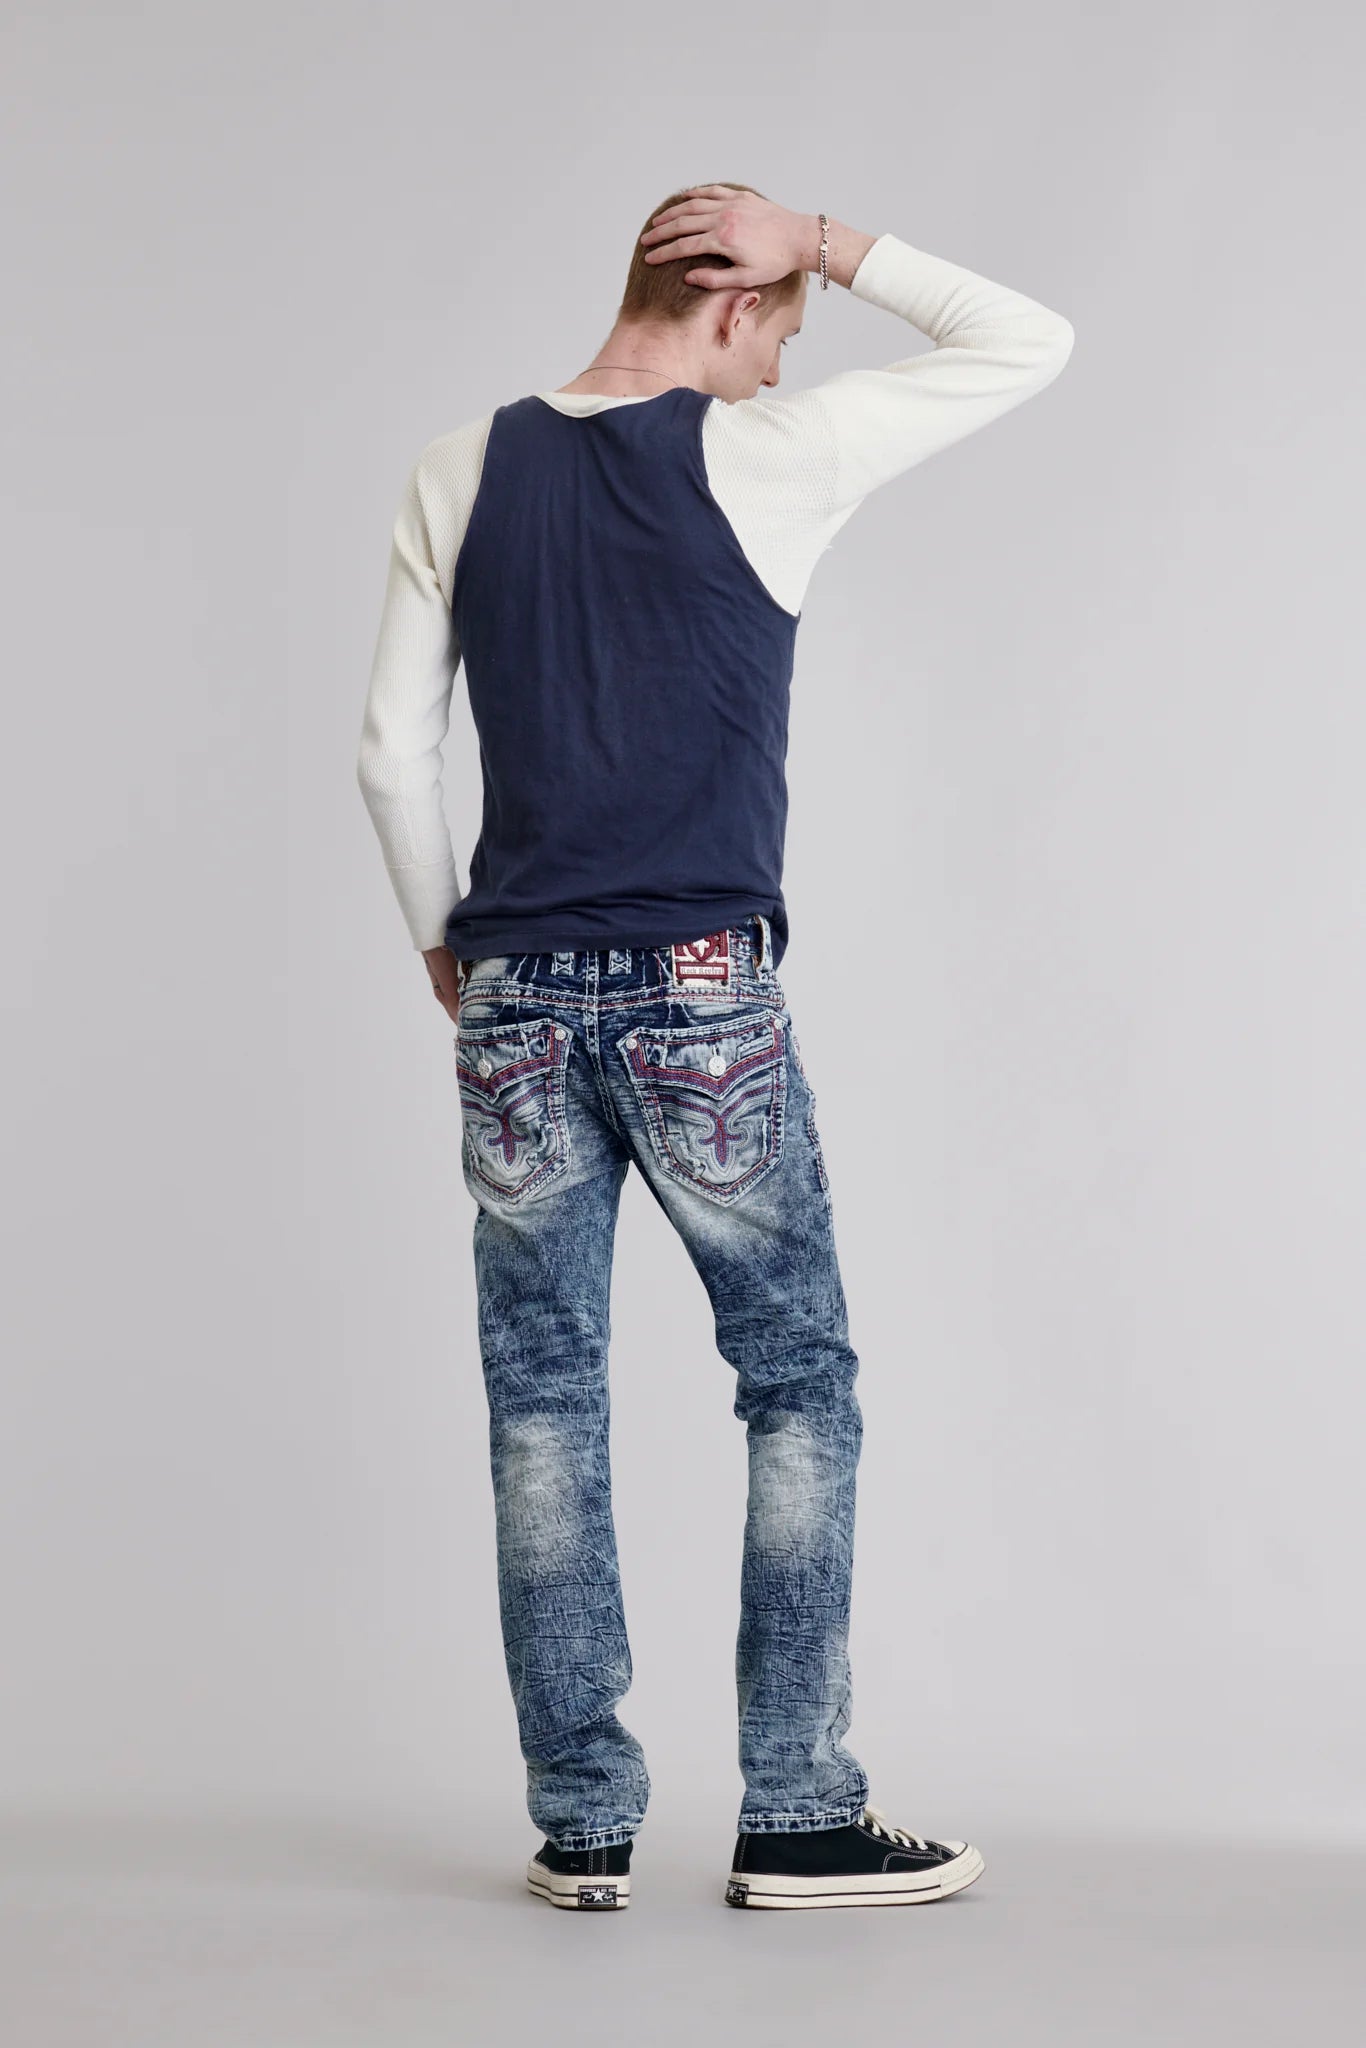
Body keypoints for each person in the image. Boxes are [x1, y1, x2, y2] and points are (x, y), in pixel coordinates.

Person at [357, 183, 1074, 1912]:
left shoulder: (458, 464)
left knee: (541, 1399)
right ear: (737, 304)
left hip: (513, 993)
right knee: (796, 1381)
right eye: (782, 332)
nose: (778, 372)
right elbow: (1029, 340)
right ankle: (798, 1812)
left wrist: (447, 945)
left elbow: (389, 751)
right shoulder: (774, 454)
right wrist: (827, 239)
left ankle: (582, 1824)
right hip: (699, 993)